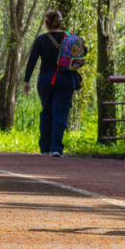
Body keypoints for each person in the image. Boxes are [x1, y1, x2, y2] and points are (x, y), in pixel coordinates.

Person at [23, 10, 77, 157]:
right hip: (65, 78)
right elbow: (83, 53)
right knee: (60, 112)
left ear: (46, 24)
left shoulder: (41, 40)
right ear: (60, 23)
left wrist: (26, 80)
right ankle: (56, 148)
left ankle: (44, 148)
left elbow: (32, 61)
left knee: (46, 111)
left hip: (46, 79)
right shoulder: (70, 38)